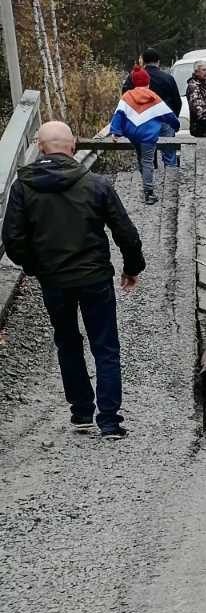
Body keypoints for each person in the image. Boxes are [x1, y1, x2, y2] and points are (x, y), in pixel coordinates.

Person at [1, 120, 144, 439]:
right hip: (95, 277)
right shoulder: (96, 184)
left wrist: (35, 266)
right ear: (73, 146)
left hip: (54, 280)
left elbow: (12, 238)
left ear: (40, 148)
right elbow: (126, 232)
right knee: (105, 346)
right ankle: (110, 421)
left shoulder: (23, 187)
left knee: (67, 342)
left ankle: (81, 412)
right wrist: (132, 268)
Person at [110, 67, 179, 204]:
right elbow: (167, 114)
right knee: (147, 161)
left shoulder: (127, 96)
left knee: (141, 158)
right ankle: (149, 192)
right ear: (148, 82)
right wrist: (175, 125)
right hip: (148, 135)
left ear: (134, 82)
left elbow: (118, 115)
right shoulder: (153, 97)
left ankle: (145, 181)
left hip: (133, 134)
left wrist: (115, 132)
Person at [122, 45, 182, 118]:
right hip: (163, 119)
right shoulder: (168, 79)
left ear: (143, 61)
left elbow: (125, 98)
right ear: (158, 62)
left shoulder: (133, 77)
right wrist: (172, 119)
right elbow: (177, 103)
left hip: (140, 119)